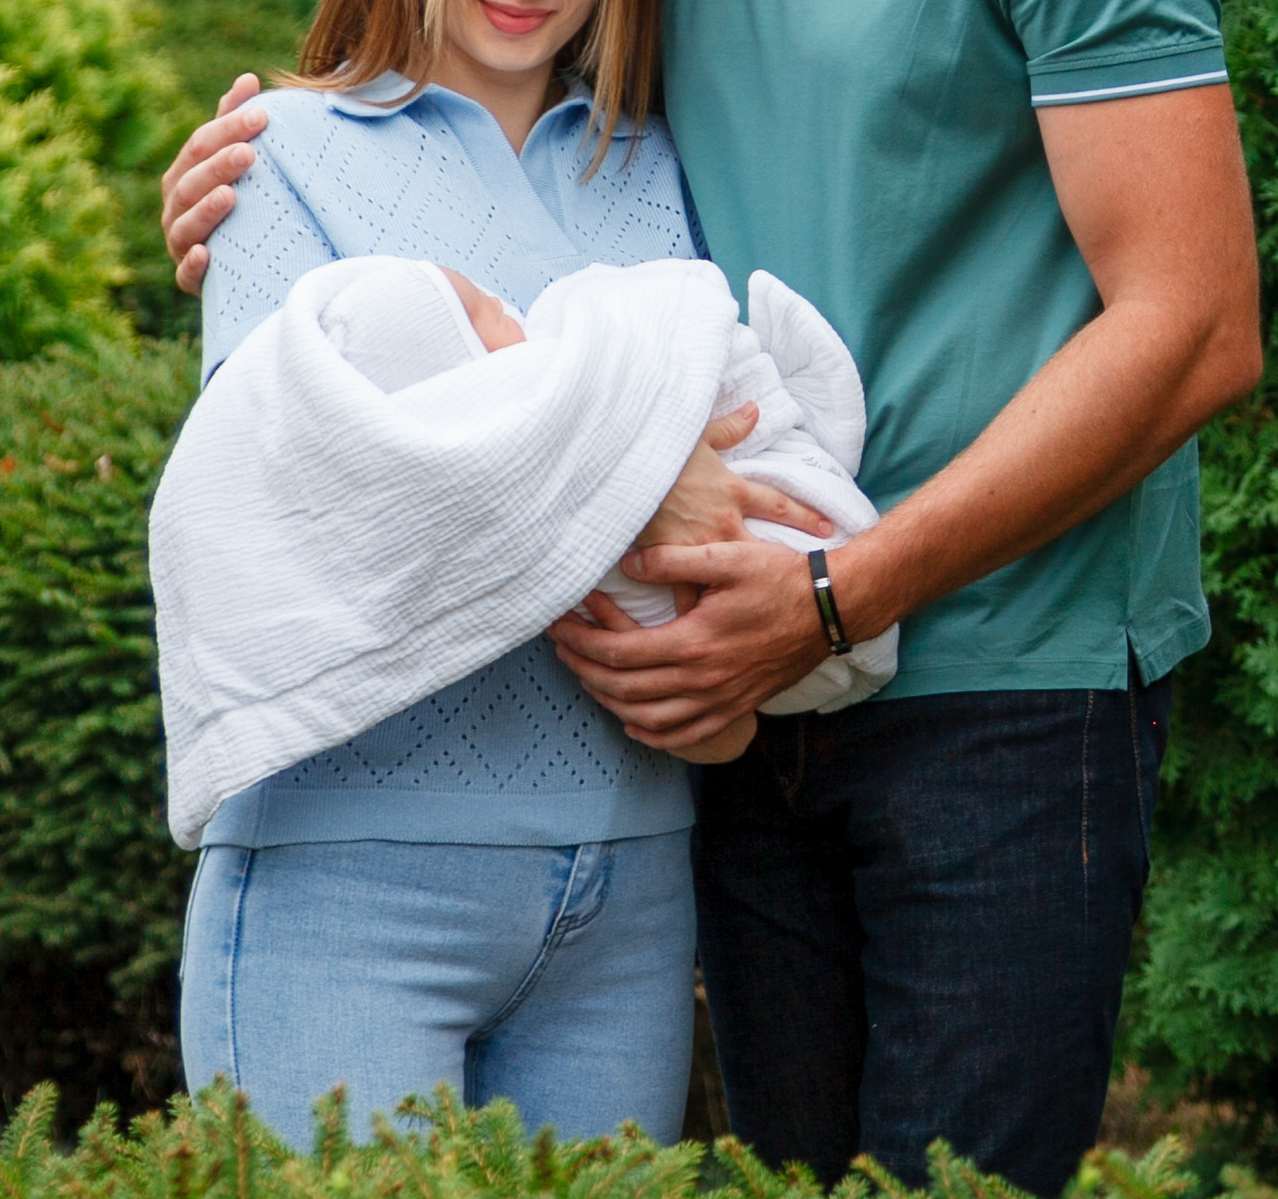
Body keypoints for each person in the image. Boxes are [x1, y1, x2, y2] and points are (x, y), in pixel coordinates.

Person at [164, 0, 1262, 1198]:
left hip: (998, 682)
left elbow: (1198, 326)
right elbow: (472, 99)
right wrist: (266, 157)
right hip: (733, 711)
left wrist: (839, 589)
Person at [168, 0, 790, 1153]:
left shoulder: (661, 165)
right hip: (349, 879)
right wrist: (637, 476)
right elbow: (307, 505)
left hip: (629, 892)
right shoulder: (288, 164)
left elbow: (754, 446)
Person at [147, 244, 889, 839]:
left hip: (790, 642)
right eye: (475, 310)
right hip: (765, 627)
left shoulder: (653, 139)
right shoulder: (524, 448)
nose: (504, 302)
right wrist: (637, 449)